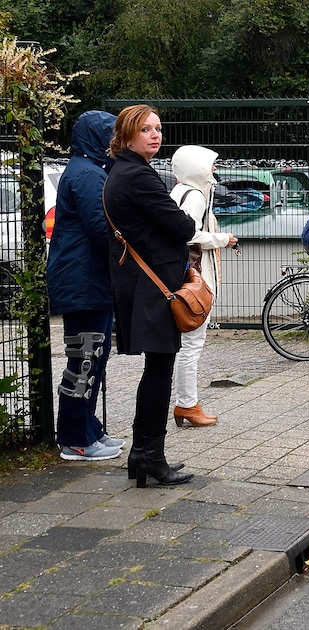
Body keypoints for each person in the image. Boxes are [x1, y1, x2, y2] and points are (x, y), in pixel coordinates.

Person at [104, 104, 195, 487]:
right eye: (146, 130)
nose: (155, 135)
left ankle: (144, 455)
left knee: (157, 369)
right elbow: (183, 225)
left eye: (158, 128)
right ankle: (150, 457)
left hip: (144, 284)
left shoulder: (123, 172)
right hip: (153, 287)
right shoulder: (137, 176)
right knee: (159, 370)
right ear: (127, 135)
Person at [47, 110, 126, 461]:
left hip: (87, 279)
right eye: (112, 135)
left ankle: (88, 429)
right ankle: (75, 438)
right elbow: (102, 229)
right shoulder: (88, 175)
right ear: (97, 137)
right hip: (83, 281)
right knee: (85, 357)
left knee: (92, 356)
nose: (117, 142)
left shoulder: (87, 171)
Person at [170, 145, 238, 426]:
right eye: (210, 166)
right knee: (191, 346)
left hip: (182, 275)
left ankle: (187, 403)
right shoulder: (195, 195)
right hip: (195, 278)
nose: (214, 171)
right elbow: (190, 234)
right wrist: (222, 239)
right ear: (197, 167)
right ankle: (187, 404)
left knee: (186, 345)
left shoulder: (180, 191)